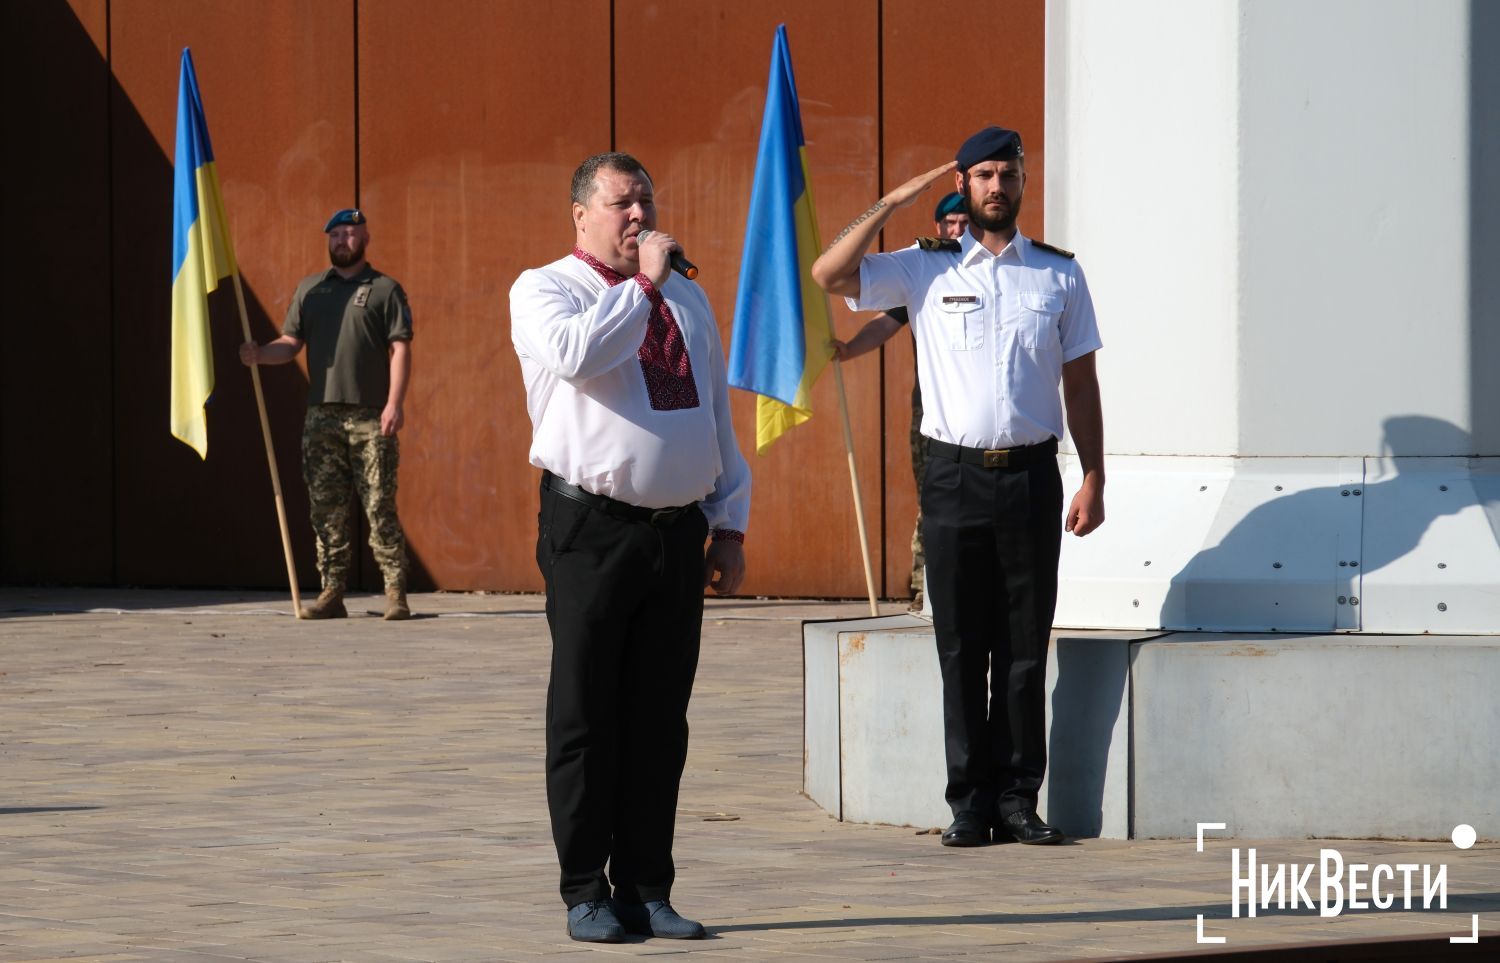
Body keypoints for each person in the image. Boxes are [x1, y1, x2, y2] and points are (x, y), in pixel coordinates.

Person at [811, 126, 1105, 848]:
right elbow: (829, 273)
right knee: (959, 645)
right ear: (964, 186)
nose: (996, 186)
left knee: (1025, 647)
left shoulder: (1058, 274)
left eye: (1007, 174)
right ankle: (968, 801)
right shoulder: (924, 268)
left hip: (1034, 475)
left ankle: (1017, 798)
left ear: (1023, 181)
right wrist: (894, 197)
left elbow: (1081, 381)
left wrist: (1094, 471)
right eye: (982, 176)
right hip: (952, 478)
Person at [509, 152, 750, 943]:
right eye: (621, 203)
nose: (639, 216)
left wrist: (730, 519)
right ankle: (585, 888)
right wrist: (641, 286)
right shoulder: (545, 288)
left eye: (646, 200)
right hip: (591, 530)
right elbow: (580, 355)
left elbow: (713, 412)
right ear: (580, 214)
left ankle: (648, 884)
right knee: (586, 712)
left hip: (675, 533)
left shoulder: (687, 296)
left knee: (659, 719)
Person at [239, 208, 413, 621]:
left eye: (350, 233)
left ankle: (395, 592)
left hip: (372, 416)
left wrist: (394, 403)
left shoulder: (386, 290)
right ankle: (332, 591)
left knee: (379, 504)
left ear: (365, 238)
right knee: (326, 507)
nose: (342, 240)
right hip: (322, 417)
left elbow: (400, 348)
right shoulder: (311, 290)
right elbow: (290, 341)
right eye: (335, 234)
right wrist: (261, 354)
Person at [829, 191, 969, 612]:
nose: (958, 230)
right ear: (938, 227)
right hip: (933, 410)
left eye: (965, 221)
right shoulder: (928, 271)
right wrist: (850, 349)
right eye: (951, 223)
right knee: (934, 493)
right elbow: (885, 321)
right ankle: (927, 584)